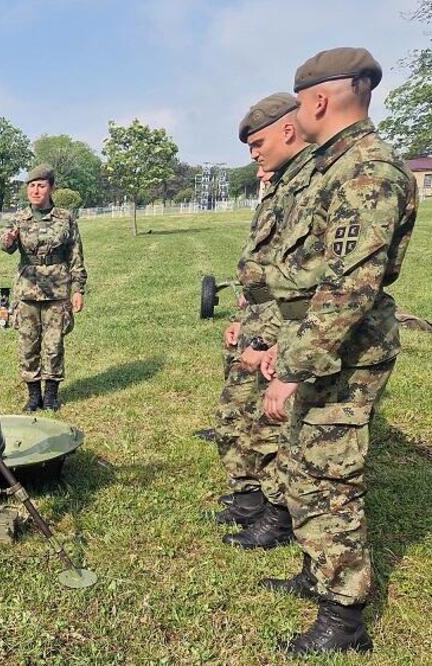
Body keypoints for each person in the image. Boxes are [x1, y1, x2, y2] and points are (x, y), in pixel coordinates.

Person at [259, 47, 416, 655]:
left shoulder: (367, 172)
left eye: (300, 104)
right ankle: (317, 567)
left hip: (344, 354)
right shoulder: (333, 167)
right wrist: (283, 341)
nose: (297, 116)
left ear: (320, 100)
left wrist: (294, 367)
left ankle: (343, 615)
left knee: (330, 478)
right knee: (302, 464)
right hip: (315, 343)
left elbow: (349, 288)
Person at [212, 94, 314, 552]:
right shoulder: (279, 189)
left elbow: (299, 281)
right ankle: (251, 495)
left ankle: (273, 511)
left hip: (285, 322)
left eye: (257, 145)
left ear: (287, 131)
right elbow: (259, 268)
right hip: (260, 313)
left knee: (271, 422)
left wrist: (269, 339)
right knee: (240, 412)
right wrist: (242, 317)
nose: (254, 157)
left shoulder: (310, 186)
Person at [0, 164, 86, 411]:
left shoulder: (65, 218)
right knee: (28, 343)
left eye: (41, 186)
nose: (36, 190)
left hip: (57, 289)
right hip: (27, 290)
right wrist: (9, 239)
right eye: (32, 186)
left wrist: (78, 289)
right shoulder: (19, 218)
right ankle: (33, 394)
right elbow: (4, 244)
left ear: (51, 188)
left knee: (54, 343)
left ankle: (51, 395)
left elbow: (76, 255)